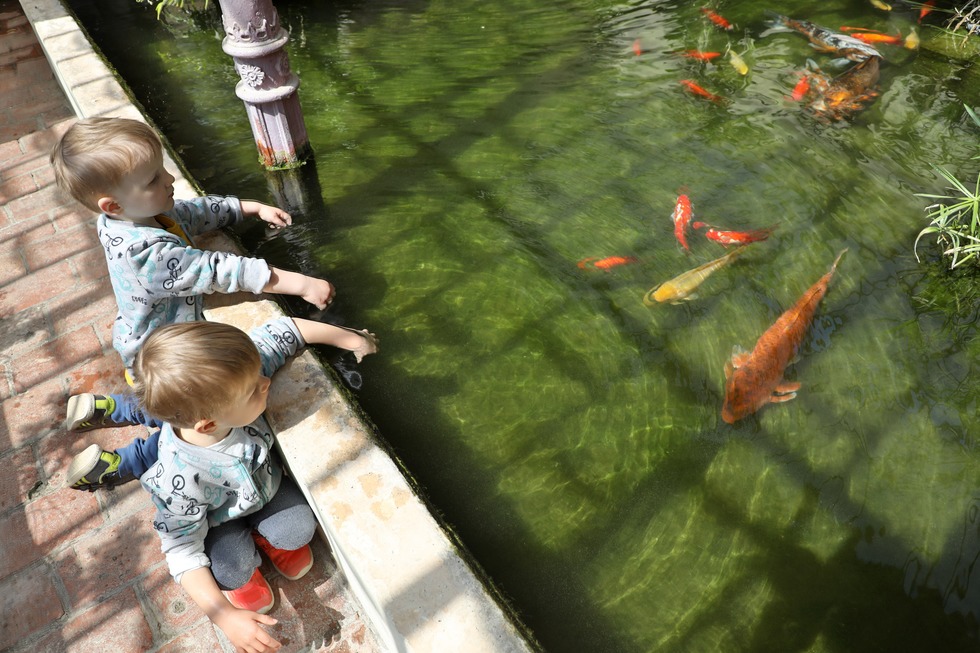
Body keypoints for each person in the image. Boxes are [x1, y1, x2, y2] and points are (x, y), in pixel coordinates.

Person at [50, 117, 377, 491]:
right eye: (154, 178)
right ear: (111, 204)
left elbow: (191, 212)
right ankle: (126, 461)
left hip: (150, 348)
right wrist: (298, 283)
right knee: (195, 431)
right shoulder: (145, 254)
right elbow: (218, 269)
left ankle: (113, 409)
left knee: (164, 407)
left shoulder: (136, 215)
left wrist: (248, 207)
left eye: (162, 169)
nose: (169, 179)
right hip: (170, 359)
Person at [132, 317, 337, 652]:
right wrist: (224, 615)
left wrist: (351, 339)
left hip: (265, 489)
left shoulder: (235, 381)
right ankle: (246, 563)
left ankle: (263, 538)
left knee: (299, 529)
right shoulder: (177, 480)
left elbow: (285, 332)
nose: (266, 381)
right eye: (255, 390)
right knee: (231, 569)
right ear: (210, 422)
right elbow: (182, 551)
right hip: (216, 521)